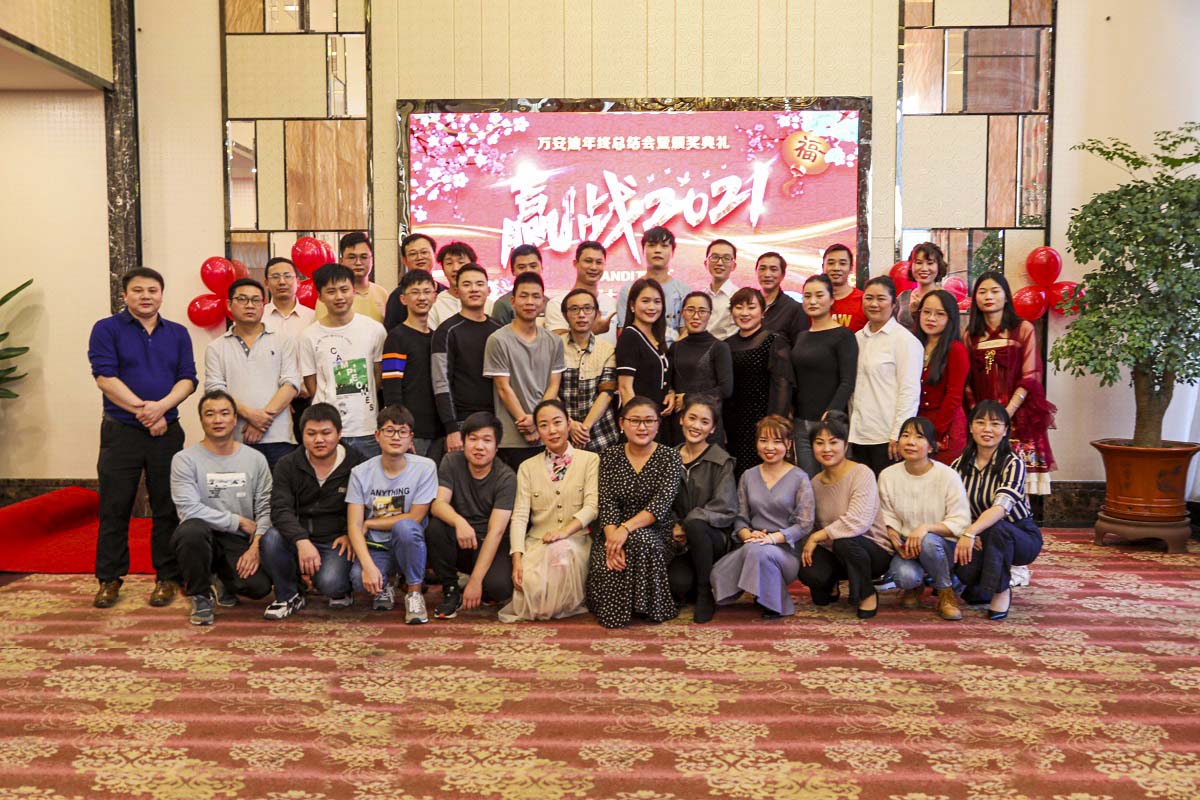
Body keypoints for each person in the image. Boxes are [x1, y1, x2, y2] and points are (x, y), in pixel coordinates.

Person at [88, 267, 197, 609]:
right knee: (114, 505)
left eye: (153, 290)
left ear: (161, 295)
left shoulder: (177, 333)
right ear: (125, 295)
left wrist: (161, 408)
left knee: (167, 506)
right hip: (121, 431)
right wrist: (145, 412)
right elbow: (105, 378)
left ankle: (167, 577)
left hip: (167, 431)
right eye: (138, 290)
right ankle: (109, 579)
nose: (146, 296)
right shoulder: (106, 329)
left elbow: (188, 379)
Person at [169, 390, 273, 626]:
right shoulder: (184, 459)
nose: (218, 420)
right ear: (201, 419)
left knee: (259, 587)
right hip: (201, 536)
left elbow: (265, 506)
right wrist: (239, 521)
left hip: (236, 540)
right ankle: (200, 595)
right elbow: (188, 510)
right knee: (191, 530)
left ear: (235, 419)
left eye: (225, 413)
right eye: (210, 414)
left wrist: (257, 543)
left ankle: (221, 580)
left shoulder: (255, 459)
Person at [260, 403, 365, 619]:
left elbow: (368, 506)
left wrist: (351, 533)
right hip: (297, 536)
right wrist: (301, 540)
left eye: (326, 433)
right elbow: (280, 509)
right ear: (302, 435)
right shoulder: (287, 464)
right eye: (311, 433)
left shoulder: (357, 464)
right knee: (271, 538)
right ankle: (289, 595)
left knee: (331, 584)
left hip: (336, 539)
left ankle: (340, 588)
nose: (319, 440)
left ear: (339, 434)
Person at [500, 399, 600, 622]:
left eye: (557, 422)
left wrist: (563, 533)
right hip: (538, 544)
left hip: (576, 541)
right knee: (531, 591)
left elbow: (592, 507)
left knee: (560, 555)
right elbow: (519, 516)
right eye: (544, 425)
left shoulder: (590, 460)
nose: (552, 430)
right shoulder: (527, 467)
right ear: (537, 430)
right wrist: (517, 558)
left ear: (568, 423)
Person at [587, 397, 683, 628]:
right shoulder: (610, 456)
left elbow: (659, 506)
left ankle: (648, 607)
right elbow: (607, 503)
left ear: (658, 424)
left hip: (656, 530)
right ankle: (620, 611)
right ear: (622, 423)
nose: (642, 427)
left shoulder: (670, 457)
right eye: (635, 421)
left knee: (641, 540)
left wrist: (625, 529)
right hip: (612, 530)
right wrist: (612, 539)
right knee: (608, 562)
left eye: (649, 421)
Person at [711, 415, 814, 619]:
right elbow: (740, 517)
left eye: (777, 441)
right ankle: (762, 591)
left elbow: (804, 524)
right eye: (764, 440)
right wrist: (747, 535)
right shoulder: (748, 476)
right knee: (717, 571)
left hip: (785, 551)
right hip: (753, 544)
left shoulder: (800, 478)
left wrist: (772, 539)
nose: (770, 447)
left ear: (788, 444)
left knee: (760, 552)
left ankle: (775, 604)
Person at [965, 270, 1057, 496]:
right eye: (982, 292)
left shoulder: (1023, 329)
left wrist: (1007, 413)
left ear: (1006, 296)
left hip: (1019, 414)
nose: (988, 296)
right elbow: (967, 381)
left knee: (1018, 485)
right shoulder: (970, 335)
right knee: (986, 483)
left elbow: (1031, 376)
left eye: (995, 291)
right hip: (984, 419)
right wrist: (979, 414)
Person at [345, 405, 439, 622]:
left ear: (411, 438)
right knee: (358, 579)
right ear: (377, 435)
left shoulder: (425, 468)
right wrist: (368, 567)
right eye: (389, 431)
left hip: (409, 542)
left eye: (402, 431)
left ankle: (414, 593)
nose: (396, 437)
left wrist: (370, 523)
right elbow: (353, 525)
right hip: (377, 545)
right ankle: (386, 583)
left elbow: (415, 517)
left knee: (405, 527)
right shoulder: (360, 473)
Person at [796, 411, 894, 619]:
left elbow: (858, 521)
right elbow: (811, 524)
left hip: (871, 549)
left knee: (845, 542)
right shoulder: (814, 483)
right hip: (835, 550)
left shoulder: (862, 473)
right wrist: (809, 540)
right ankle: (831, 583)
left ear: (845, 445)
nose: (826, 449)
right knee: (809, 568)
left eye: (833, 442)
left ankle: (866, 592)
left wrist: (817, 537)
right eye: (819, 443)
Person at [952, 401, 1043, 620]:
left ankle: (1001, 591)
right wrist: (967, 530)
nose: (987, 429)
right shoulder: (958, 466)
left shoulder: (1013, 463)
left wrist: (970, 532)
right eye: (980, 422)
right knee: (968, 577)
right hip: (978, 534)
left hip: (1020, 535)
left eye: (995, 424)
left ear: (1005, 430)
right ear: (970, 427)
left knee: (997, 528)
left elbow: (1001, 507)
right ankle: (981, 585)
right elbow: (951, 508)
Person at [877, 416, 972, 621]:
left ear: (931, 447)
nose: (910, 442)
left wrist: (926, 528)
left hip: (943, 545)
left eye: (919, 437)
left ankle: (946, 593)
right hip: (907, 545)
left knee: (928, 541)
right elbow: (887, 513)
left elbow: (961, 520)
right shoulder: (887, 475)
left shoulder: (947, 476)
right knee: (905, 577)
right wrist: (893, 535)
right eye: (905, 436)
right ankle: (916, 585)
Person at [427, 412, 517, 619]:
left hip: (489, 542)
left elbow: (496, 532)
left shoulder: (506, 478)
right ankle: (451, 589)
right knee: (435, 528)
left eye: (487, 440)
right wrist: (459, 521)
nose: (479, 446)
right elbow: (438, 505)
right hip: (462, 538)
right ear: (464, 441)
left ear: (496, 447)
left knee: (499, 588)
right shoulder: (451, 461)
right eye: (473, 439)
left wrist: (476, 581)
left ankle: (478, 583)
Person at [204, 277, 300, 469]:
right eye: (242, 299)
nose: (250, 305)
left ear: (263, 305)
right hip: (235, 437)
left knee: (279, 489)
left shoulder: (283, 341)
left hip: (279, 438)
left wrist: (261, 421)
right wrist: (251, 416)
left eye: (256, 300)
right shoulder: (216, 347)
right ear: (229, 305)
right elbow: (215, 390)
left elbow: (291, 384)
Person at [299, 263, 387, 457]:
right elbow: (311, 383)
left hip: (366, 427)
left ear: (353, 291)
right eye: (331, 291)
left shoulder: (375, 330)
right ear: (320, 296)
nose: (339, 297)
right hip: (326, 429)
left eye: (344, 289)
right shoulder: (308, 336)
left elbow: (378, 376)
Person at [484, 272, 566, 469]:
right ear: (513, 301)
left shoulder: (554, 341)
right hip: (513, 437)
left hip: (549, 434)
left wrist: (539, 420)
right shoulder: (498, 340)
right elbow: (503, 388)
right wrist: (527, 423)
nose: (530, 302)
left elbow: (554, 385)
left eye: (536, 296)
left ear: (543, 303)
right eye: (524, 296)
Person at [667, 396, 737, 624]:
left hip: (712, 538)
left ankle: (705, 592)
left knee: (696, 525)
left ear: (713, 428)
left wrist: (688, 523)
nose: (696, 426)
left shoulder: (721, 461)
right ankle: (693, 585)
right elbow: (662, 502)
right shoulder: (669, 458)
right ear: (682, 419)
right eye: (692, 418)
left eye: (705, 422)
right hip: (680, 541)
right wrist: (674, 525)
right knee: (678, 585)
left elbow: (726, 507)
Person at [849, 276, 922, 476]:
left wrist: (899, 434)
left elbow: (909, 392)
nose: (874, 304)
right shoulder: (856, 339)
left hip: (886, 438)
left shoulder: (904, 341)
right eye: (868, 298)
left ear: (893, 303)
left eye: (881, 298)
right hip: (857, 435)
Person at [789, 274, 858, 476]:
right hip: (801, 423)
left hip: (831, 424)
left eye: (819, 295)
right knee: (809, 483)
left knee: (835, 481)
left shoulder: (844, 336)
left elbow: (847, 382)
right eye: (807, 296)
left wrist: (830, 416)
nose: (812, 301)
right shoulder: (801, 336)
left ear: (832, 299)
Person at [431, 264, 503, 454]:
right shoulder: (446, 331)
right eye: (467, 284)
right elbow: (440, 383)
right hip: (463, 422)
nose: (474, 289)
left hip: (498, 420)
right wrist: (451, 427)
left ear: (488, 290)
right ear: (456, 291)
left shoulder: (499, 329)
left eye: (479, 284)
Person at [723, 287, 793, 479]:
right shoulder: (725, 345)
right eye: (739, 307)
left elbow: (782, 386)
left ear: (762, 311)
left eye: (751, 307)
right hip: (732, 425)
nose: (744, 313)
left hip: (764, 424)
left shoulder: (774, 341)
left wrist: (774, 427)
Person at [382, 268, 444, 462]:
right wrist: (401, 432)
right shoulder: (396, 338)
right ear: (403, 299)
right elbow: (392, 390)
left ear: (435, 297)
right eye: (415, 292)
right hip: (412, 432)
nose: (422, 297)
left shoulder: (437, 337)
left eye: (427, 292)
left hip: (438, 430)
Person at [557, 288, 620, 454]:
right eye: (574, 309)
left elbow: (607, 393)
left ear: (596, 314)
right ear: (565, 315)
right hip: (561, 435)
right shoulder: (554, 347)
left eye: (587, 308)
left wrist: (584, 429)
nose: (581, 315)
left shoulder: (607, 349)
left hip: (601, 436)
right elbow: (550, 391)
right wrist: (570, 424)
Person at [668, 291, 733, 443]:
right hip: (680, 422)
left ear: (710, 314)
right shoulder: (675, 347)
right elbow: (670, 382)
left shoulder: (720, 347)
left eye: (702, 311)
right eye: (690, 310)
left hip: (707, 423)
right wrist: (670, 392)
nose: (696, 316)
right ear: (683, 313)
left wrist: (688, 398)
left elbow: (725, 389)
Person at [263, 257, 316, 442]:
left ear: (298, 281)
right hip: (269, 402)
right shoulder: (258, 319)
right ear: (266, 283)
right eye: (275, 277)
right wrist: (280, 399)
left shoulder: (313, 318)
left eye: (287, 276)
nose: (282, 281)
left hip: (307, 401)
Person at [916, 290, 969, 465]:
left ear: (950, 318)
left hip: (946, 429)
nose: (931, 318)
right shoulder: (913, 345)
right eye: (926, 312)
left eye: (939, 314)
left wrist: (936, 434)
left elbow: (954, 397)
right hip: (917, 426)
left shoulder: (956, 349)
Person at [615, 279, 675, 431]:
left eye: (657, 302)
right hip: (642, 426)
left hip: (659, 420)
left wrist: (670, 392)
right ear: (632, 305)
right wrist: (638, 422)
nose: (652, 307)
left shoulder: (657, 336)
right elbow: (625, 387)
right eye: (645, 301)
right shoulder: (629, 336)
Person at [616, 226, 690, 337]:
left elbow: (686, 331)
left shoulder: (684, 291)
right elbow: (623, 331)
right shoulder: (628, 290)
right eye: (652, 245)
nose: (657, 250)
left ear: (672, 252)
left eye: (664, 246)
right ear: (643, 251)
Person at [544, 240, 618, 344]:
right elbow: (557, 343)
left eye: (599, 262)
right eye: (588, 261)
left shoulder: (613, 304)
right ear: (575, 263)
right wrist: (591, 330)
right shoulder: (557, 304)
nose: (593, 267)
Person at [315, 231, 388, 323]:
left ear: (372, 260)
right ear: (341, 261)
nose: (358, 262)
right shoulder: (331, 296)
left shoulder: (381, 293)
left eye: (364, 257)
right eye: (352, 257)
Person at [429, 241, 493, 329]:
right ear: (443, 269)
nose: (455, 268)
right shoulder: (436, 305)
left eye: (461, 262)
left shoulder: (489, 305)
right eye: (449, 263)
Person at [383, 232, 441, 330]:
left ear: (434, 255)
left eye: (424, 252)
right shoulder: (398, 296)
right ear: (404, 260)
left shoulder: (445, 292)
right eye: (413, 254)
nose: (419, 257)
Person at [756, 251, 808, 344]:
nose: (767, 274)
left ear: (783, 275)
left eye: (773, 269)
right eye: (762, 269)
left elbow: (800, 345)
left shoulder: (794, 309)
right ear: (756, 272)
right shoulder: (746, 303)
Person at [896, 242, 946, 333]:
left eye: (930, 263)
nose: (924, 268)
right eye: (919, 263)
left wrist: (916, 313)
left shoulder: (946, 298)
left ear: (939, 266)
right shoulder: (903, 296)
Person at [491, 244, 542, 325]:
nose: (528, 270)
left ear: (541, 268)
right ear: (513, 271)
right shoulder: (502, 304)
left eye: (533, 266)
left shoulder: (549, 303)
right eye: (521, 267)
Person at [822, 243, 867, 332]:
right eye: (831, 263)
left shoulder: (863, 300)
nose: (836, 268)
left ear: (851, 268)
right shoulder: (814, 301)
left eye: (842, 263)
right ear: (823, 266)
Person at [702, 239, 739, 339]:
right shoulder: (701, 296)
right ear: (706, 263)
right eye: (714, 257)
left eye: (726, 258)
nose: (719, 263)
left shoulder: (739, 297)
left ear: (734, 266)